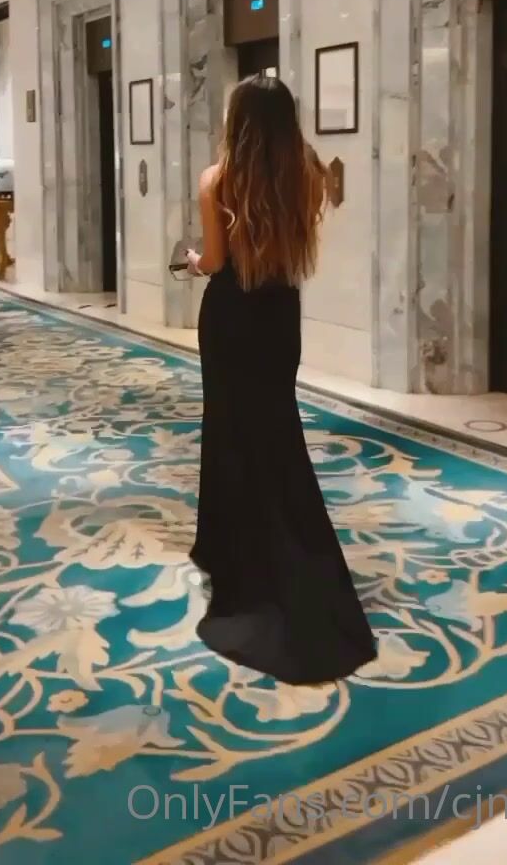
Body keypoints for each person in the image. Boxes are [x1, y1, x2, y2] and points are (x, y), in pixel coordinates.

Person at [185, 75, 377, 684]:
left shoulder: (216, 181)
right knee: (276, 430)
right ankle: (289, 539)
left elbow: (215, 261)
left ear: (238, 121)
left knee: (229, 430)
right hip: (277, 319)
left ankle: (231, 549)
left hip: (230, 316)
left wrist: (191, 261)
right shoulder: (308, 174)